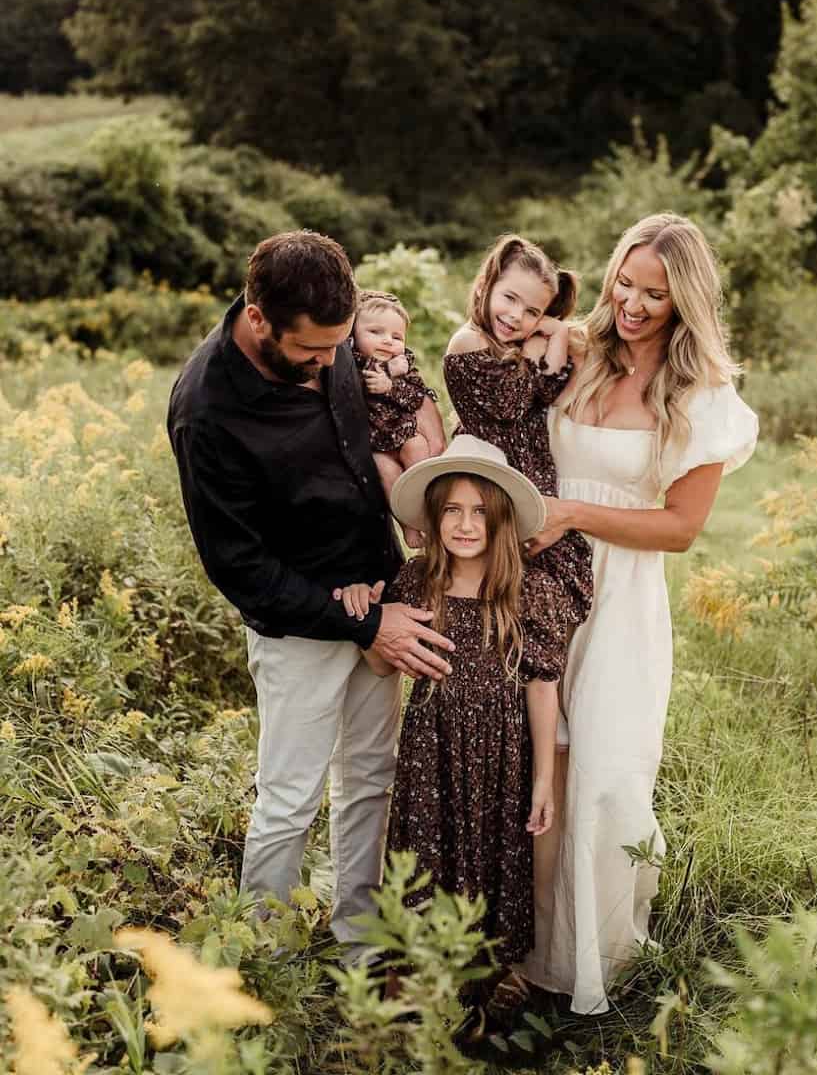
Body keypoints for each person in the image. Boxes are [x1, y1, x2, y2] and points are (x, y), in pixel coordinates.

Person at [166, 230, 453, 951]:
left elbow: (402, 412)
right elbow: (237, 566)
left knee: (370, 780)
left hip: (381, 594)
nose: (332, 364)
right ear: (260, 319)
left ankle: (358, 939)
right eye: (314, 353)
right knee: (289, 799)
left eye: (340, 346)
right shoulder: (207, 412)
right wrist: (357, 624)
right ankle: (263, 957)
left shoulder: (333, 333)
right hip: (300, 626)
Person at [519, 213, 759, 1016]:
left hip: (622, 595)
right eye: (625, 282)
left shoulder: (701, 395)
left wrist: (575, 515)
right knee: (534, 762)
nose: (632, 303)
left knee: (605, 770)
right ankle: (523, 957)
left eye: (655, 293)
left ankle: (595, 965)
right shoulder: (577, 354)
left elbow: (682, 529)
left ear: (685, 299)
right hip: (539, 582)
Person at [382, 436, 577, 974]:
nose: (465, 525)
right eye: (452, 511)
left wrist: (542, 779)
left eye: (479, 512)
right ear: (435, 517)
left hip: (502, 750)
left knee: (496, 859)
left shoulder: (528, 590)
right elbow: (381, 664)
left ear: (501, 522)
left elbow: (542, 685)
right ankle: (419, 977)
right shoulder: (417, 582)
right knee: (427, 852)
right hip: (432, 744)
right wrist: (365, 619)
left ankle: (493, 981)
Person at [443, 234, 593, 633]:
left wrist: (557, 333)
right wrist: (532, 348)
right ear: (487, 284)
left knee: (544, 608)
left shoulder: (511, 349)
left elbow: (550, 388)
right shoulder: (468, 342)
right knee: (502, 606)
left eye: (531, 311)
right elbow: (510, 403)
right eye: (508, 298)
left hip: (533, 486)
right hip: (496, 489)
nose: (515, 316)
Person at [352, 289, 436, 503]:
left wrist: (391, 386)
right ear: (353, 334)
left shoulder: (404, 365)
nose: (388, 341)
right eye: (375, 332)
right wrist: (387, 372)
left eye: (396, 337)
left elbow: (417, 395)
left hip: (404, 431)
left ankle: (428, 502)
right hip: (374, 443)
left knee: (417, 448)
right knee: (386, 473)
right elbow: (354, 387)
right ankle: (410, 526)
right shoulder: (351, 364)